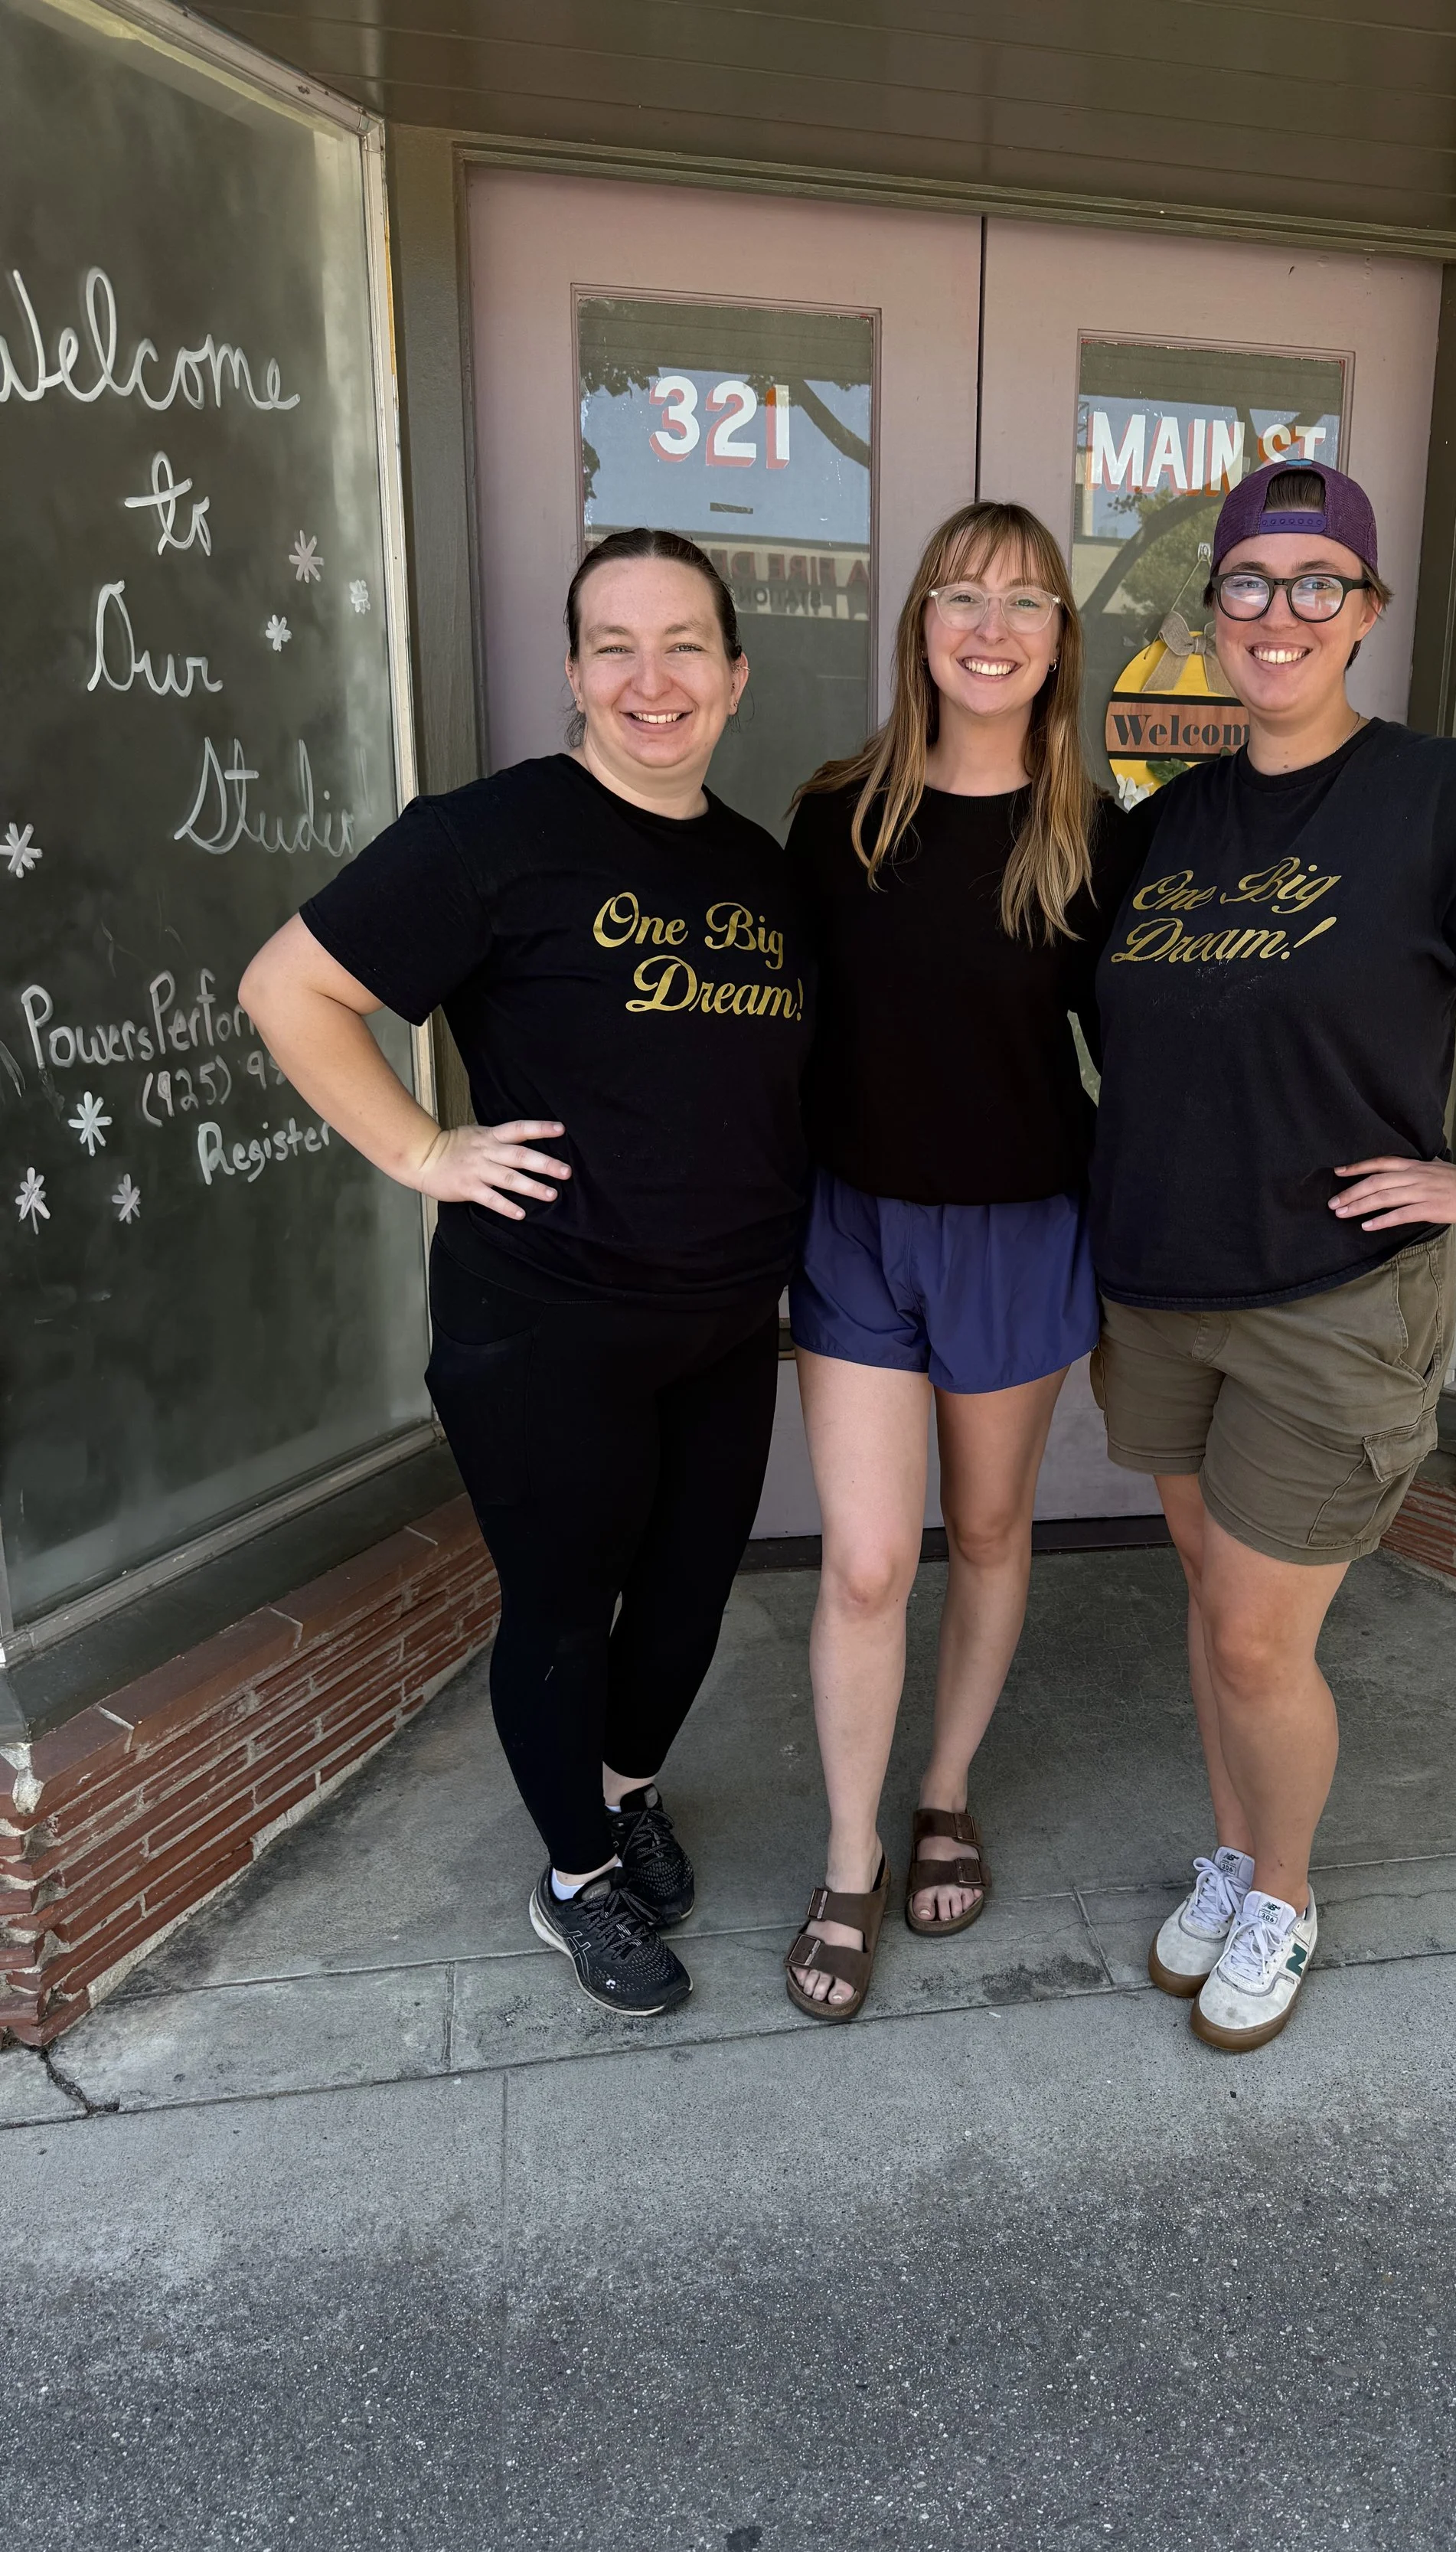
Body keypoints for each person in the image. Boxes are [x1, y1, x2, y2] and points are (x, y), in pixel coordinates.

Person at [1089, 458, 1456, 2054]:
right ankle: (1233, 1850)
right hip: (1158, 1289)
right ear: (1208, 616)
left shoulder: (1445, 799)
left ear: (1363, 612)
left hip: (1327, 1303)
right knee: (1212, 1599)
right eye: (1246, 585)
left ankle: (1281, 1886)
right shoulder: (1168, 824)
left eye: (1311, 583)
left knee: (1262, 1633)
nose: (1276, 614)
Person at [239, 528, 814, 2019]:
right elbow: (287, 986)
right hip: (543, 1320)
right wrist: (424, 1149)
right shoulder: (489, 835)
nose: (649, 677)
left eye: (683, 642)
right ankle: (572, 1882)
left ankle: (618, 1796)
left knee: (686, 1600)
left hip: (721, 1323)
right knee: (564, 1609)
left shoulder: (760, 871)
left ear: (734, 675)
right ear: (570, 671)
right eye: (612, 645)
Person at [779, 501, 1128, 2021]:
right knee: (864, 1561)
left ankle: (943, 1788)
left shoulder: (1093, 837)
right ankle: (849, 1857)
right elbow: (762, 1038)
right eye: (961, 595)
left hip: (1019, 1226)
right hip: (852, 1223)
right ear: (916, 624)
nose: (991, 626)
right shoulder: (834, 816)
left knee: (985, 1536)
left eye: (1027, 601)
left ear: (1059, 643)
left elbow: (1155, 1050)